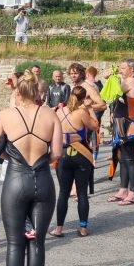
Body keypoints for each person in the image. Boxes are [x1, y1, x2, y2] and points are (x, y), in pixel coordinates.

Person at [0, 71, 62, 266]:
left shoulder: (6, 115)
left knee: (15, 243)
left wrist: (17, 159)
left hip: (16, 180)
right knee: (37, 242)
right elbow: (57, 153)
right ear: (38, 92)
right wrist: (39, 161)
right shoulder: (50, 115)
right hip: (43, 180)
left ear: (18, 92)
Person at [50, 86, 99, 237]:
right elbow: (95, 126)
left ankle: (59, 228)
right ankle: (83, 228)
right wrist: (90, 108)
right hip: (81, 154)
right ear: (83, 99)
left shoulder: (59, 111)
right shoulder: (81, 112)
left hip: (63, 155)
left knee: (63, 193)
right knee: (82, 193)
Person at [108, 59, 134, 205]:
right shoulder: (124, 80)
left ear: (132, 69)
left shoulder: (133, 81)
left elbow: (116, 90)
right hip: (120, 122)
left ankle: (133, 192)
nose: (120, 70)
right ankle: (123, 190)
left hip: (128, 122)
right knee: (122, 158)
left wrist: (112, 76)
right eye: (119, 68)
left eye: (123, 68)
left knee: (129, 158)